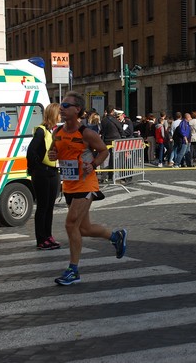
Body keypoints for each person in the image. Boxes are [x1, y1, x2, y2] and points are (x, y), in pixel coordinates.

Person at [48, 91, 128, 285]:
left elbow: (103, 152)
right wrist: (53, 154)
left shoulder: (87, 134)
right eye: (61, 106)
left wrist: (92, 164)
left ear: (78, 110)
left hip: (86, 183)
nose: (62, 109)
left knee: (70, 224)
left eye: (66, 106)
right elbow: (55, 151)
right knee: (83, 228)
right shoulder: (57, 132)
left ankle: (73, 270)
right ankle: (115, 236)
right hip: (69, 184)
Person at [26, 102, 61, 250]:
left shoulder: (54, 131)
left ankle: (48, 235)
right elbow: (31, 151)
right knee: (43, 206)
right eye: (59, 113)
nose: (61, 116)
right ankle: (41, 239)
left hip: (53, 172)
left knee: (50, 207)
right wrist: (37, 168)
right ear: (54, 114)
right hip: (42, 173)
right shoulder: (41, 131)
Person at [100, 105, 124, 181]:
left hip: (106, 140)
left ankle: (104, 176)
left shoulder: (103, 120)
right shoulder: (115, 120)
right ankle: (115, 175)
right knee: (116, 158)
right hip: (115, 140)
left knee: (105, 159)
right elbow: (121, 129)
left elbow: (102, 131)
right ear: (112, 111)